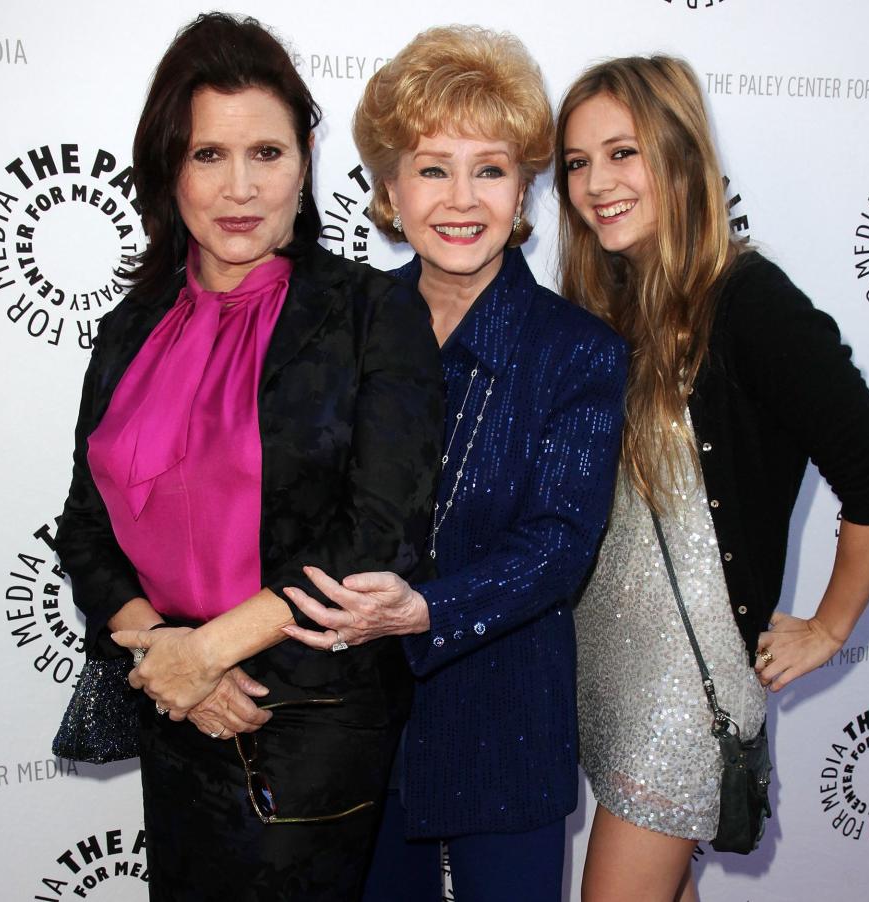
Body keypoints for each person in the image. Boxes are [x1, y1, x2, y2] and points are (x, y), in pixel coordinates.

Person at [55, 13, 443, 901]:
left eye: (265, 153)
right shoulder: (130, 328)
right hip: (175, 714)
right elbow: (85, 526)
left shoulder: (369, 313)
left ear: (304, 160)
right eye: (207, 156)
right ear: (169, 168)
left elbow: (378, 533)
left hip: (307, 731)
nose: (240, 188)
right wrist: (167, 654)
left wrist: (213, 652)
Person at [555, 56, 869, 902]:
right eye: (577, 162)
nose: (596, 183)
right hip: (610, 669)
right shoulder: (608, 300)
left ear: (679, 155)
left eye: (623, 152)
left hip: (683, 696)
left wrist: (828, 627)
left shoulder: (748, 300)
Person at [280, 26, 627, 902]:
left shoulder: (576, 351)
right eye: (432, 168)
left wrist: (422, 608)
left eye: (491, 168)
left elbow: (560, 543)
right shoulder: (341, 328)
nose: (461, 198)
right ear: (390, 189)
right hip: (353, 724)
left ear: (524, 191)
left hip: (503, 722)